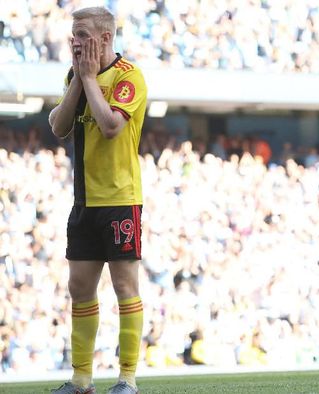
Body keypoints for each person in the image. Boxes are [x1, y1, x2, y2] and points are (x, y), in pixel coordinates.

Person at [48, 6, 148, 394]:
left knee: (125, 287)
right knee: (79, 288)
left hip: (121, 199)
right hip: (84, 201)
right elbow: (58, 127)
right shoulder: (76, 75)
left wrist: (89, 79)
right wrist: (80, 80)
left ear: (106, 38)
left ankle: (127, 378)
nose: (76, 41)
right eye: (74, 34)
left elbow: (110, 126)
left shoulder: (130, 77)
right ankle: (81, 379)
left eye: (84, 35)